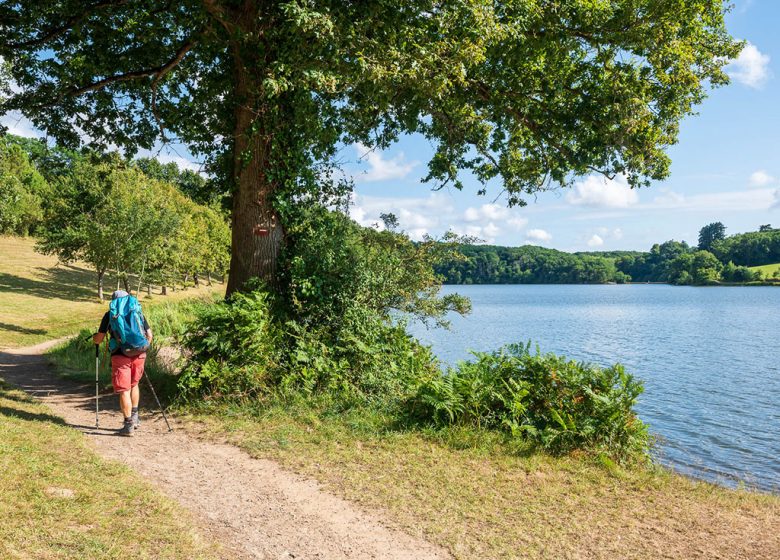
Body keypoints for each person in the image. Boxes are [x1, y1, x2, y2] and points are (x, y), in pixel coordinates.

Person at [92, 290, 153, 436]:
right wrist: (141, 350)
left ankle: (128, 426)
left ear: (114, 301)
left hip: (120, 355)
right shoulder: (136, 310)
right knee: (134, 385)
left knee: (124, 390)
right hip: (139, 353)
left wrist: (95, 338)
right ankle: (135, 417)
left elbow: (99, 339)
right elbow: (149, 335)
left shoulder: (110, 315)